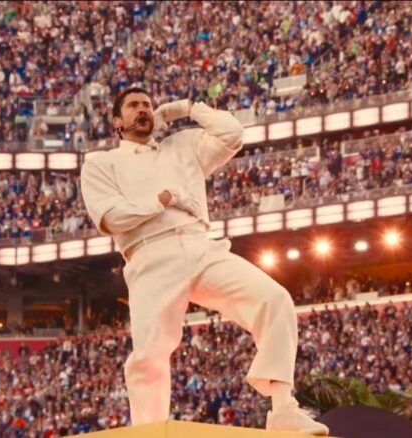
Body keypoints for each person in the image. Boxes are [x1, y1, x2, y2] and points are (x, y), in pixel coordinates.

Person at [80, 87, 329, 435]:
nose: (143, 110)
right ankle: (149, 431)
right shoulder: (101, 163)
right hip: (150, 255)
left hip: (200, 244)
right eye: (134, 106)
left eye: (148, 105)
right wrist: (163, 200)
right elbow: (111, 217)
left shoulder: (183, 145)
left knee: (274, 299)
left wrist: (187, 108)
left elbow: (232, 134)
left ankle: (283, 407)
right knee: (149, 355)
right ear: (116, 121)